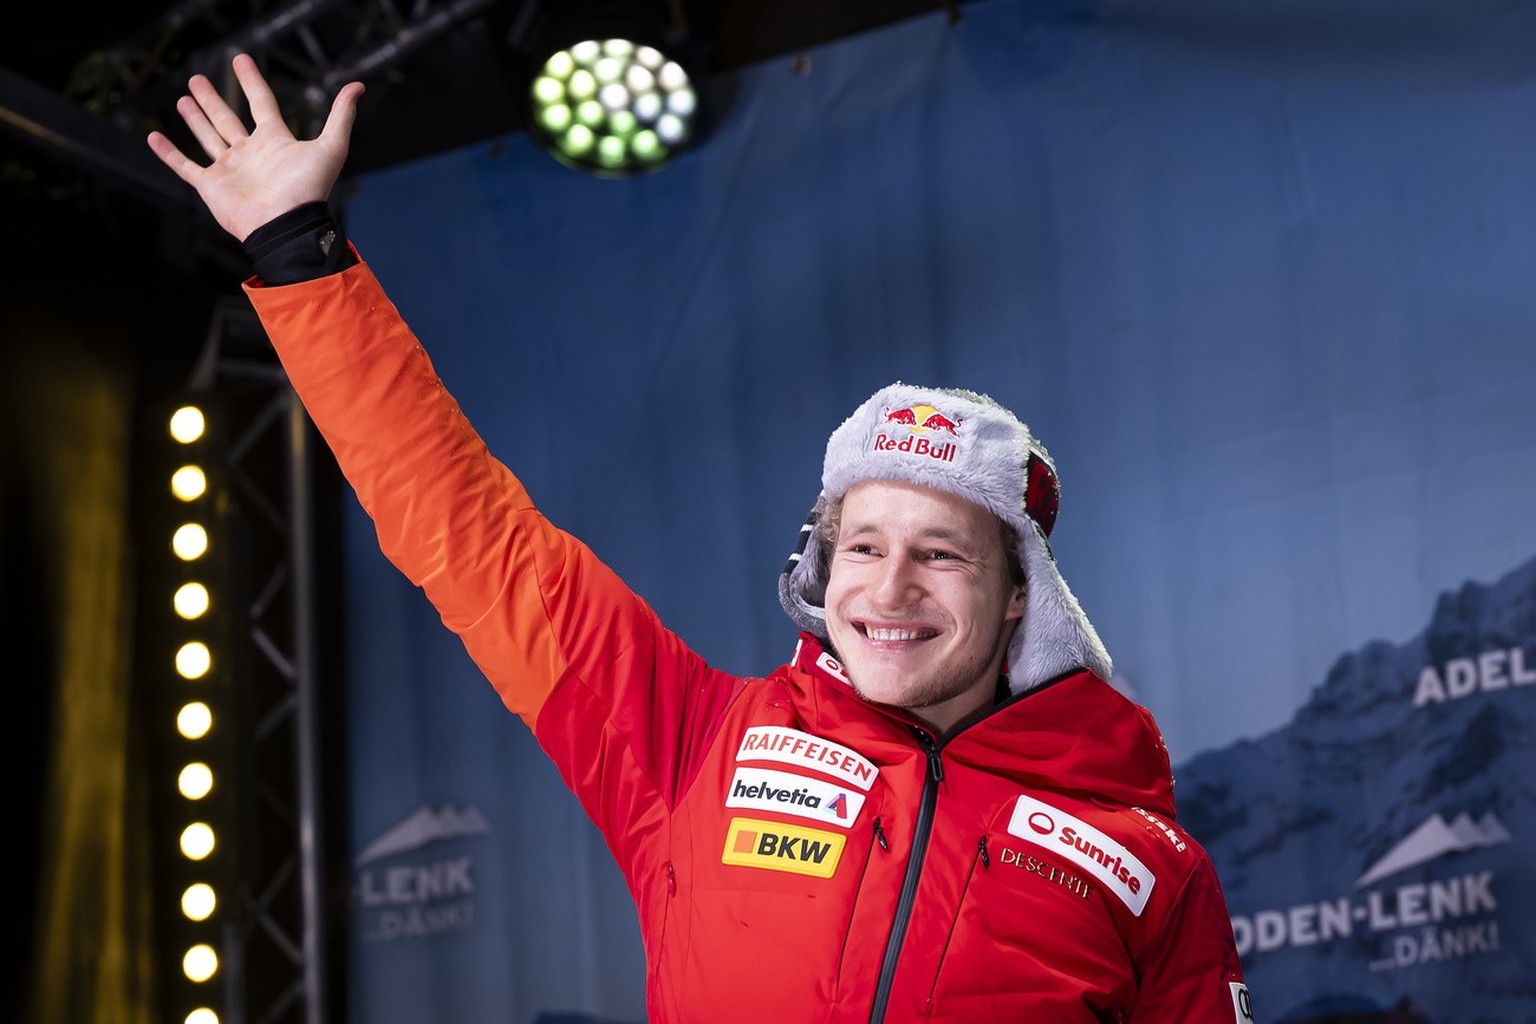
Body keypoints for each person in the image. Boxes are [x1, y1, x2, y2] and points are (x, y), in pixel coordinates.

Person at [148, 53, 1252, 1023]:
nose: (891, 585)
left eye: (943, 551)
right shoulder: (691, 747)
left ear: (1020, 591)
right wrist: (297, 252)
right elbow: (465, 528)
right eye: (862, 544)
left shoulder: (1149, 866)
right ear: (822, 565)